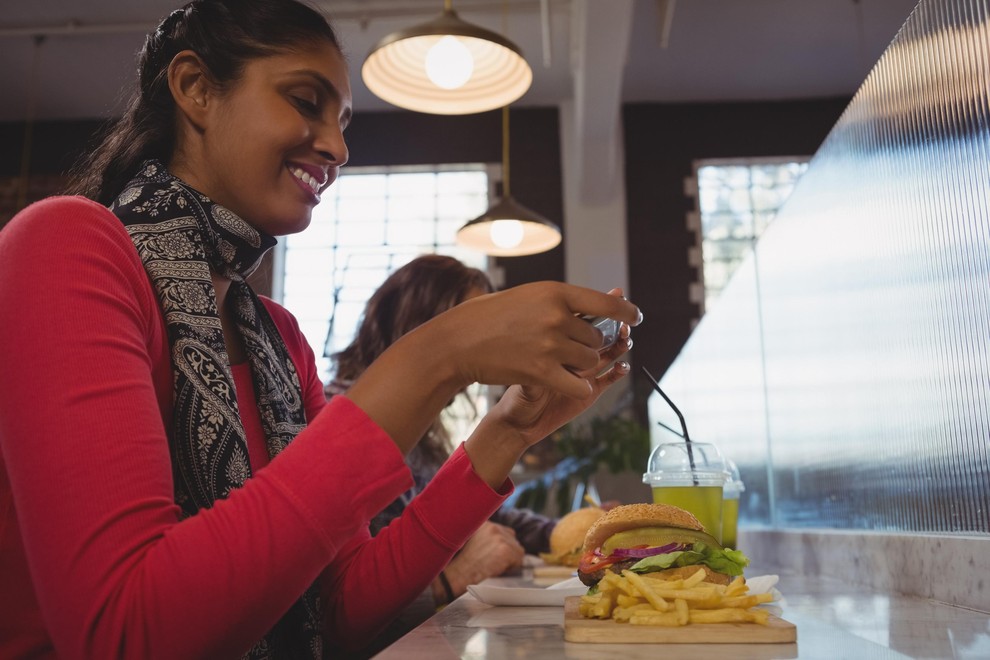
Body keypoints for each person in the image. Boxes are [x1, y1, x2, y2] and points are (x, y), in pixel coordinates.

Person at [0, 1, 641, 658]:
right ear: (195, 88)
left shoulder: (279, 340)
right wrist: (436, 354)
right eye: (306, 102)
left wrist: (508, 432)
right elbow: (126, 633)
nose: (337, 146)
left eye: (342, 123)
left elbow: (333, 614)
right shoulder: (64, 247)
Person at [326, 256, 556, 620]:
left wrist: (563, 533)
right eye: (469, 334)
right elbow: (334, 607)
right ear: (415, 327)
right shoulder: (332, 416)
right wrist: (451, 581)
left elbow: (472, 515)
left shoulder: (426, 433)